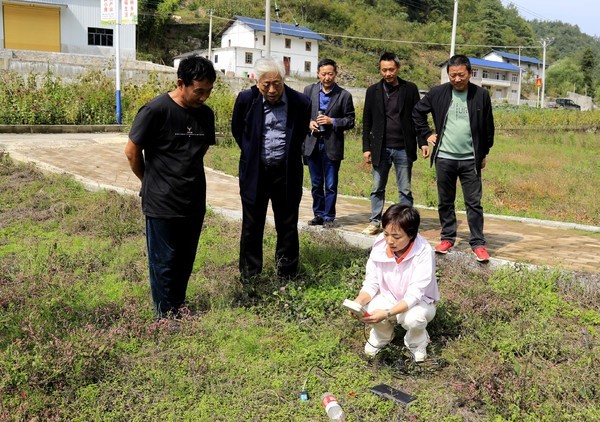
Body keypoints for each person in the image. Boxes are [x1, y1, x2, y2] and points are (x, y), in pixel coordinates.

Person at [124, 56, 216, 319]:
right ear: (180, 83)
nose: (204, 97)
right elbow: (132, 152)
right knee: (163, 261)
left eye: (209, 91)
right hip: (161, 200)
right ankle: (165, 316)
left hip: (193, 199)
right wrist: (149, 181)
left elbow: (201, 150)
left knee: (185, 260)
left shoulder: (206, 115)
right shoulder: (155, 110)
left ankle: (178, 305)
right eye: (199, 91)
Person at [231, 57, 311, 282]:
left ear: (283, 80)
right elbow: (238, 131)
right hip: (255, 173)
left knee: (287, 224)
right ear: (257, 82)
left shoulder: (300, 103)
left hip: (286, 173)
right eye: (267, 85)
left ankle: (286, 273)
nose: (273, 89)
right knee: (252, 224)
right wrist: (253, 154)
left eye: (277, 83)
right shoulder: (246, 100)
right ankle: (250, 275)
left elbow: (299, 136)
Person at [412, 54, 494, 262]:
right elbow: (417, 112)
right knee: (445, 201)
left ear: (470, 73)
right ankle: (447, 237)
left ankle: (477, 243)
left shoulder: (481, 95)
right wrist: (426, 134)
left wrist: (483, 153)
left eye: (461, 75)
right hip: (445, 158)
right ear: (448, 75)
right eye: (452, 75)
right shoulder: (438, 92)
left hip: (470, 159)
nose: (457, 79)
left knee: (473, 202)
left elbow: (488, 127)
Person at [351, 204, 439, 362]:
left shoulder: (424, 251)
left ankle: (416, 341)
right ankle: (383, 335)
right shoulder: (380, 245)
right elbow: (371, 283)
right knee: (367, 308)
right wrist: (358, 302)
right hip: (389, 296)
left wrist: (387, 313)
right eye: (386, 234)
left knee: (415, 319)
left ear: (411, 234)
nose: (390, 241)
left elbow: (414, 295)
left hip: (419, 302)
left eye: (396, 237)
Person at [362, 52, 429, 236]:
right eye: (384, 70)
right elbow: (366, 121)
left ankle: (406, 225)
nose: (387, 73)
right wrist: (366, 148)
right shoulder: (373, 91)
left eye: (391, 69)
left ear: (398, 68)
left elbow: (418, 117)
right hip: (380, 148)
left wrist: (422, 141)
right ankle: (375, 221)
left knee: (405, 190)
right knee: (377, 188)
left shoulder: (410, 89)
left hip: (403, 148)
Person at [303, 58, 355, 229]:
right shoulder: (309, 90)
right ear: (318, 74)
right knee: (316, 183)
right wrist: (308, 123)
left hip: (331, 145)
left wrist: (332, 121)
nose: (327, 77)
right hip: (312, 143)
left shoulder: (344, 95)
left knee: (331, 184)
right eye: (323, 74)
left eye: (330, 74)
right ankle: (318, 214)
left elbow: (350, 120)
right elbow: (300, 114)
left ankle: (329, 217)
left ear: (336, 74)